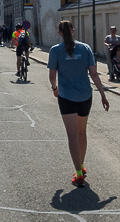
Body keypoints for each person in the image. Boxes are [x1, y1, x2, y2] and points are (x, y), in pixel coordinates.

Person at [47, 20, 110, 188]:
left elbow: (52, 75)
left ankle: (79, 174)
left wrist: (54, 88)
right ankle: (81, 165)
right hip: (85, 96)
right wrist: (103, 95)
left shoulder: (55, 51)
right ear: (73, 31)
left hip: (66, 97)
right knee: (82, 132)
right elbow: (94, 74)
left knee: (72, 135)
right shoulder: (85, 48)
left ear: (59, 33)